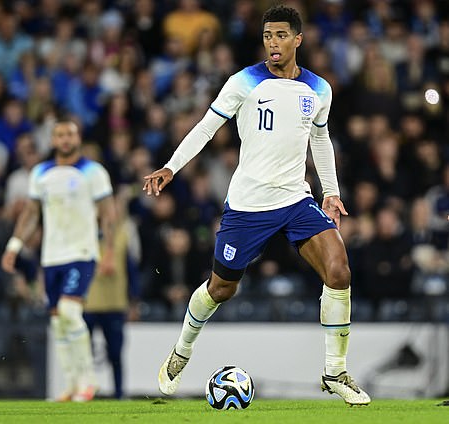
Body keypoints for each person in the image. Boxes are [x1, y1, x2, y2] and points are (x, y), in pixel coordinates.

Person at [143, 5, 370, 406]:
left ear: (297, 39)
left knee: (339, 271)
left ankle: (335, 372)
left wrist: (330, 191)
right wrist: (171, 167)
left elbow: (320, 139)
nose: (273, 43)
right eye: (267, 36)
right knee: (221, 289)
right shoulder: (244, 81)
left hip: (296, 199)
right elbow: (207, 126)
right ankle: (181, 352)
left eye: (281, 35)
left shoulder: (319, 89)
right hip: (248, 204)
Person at [1, 120, 116, 402]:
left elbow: (108, 213)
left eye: (70, 134)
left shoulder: (94, 172)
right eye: (60, 135)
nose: (65, 139)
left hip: (82, 253)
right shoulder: (41, 173)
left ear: (78, 137)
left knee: (69, 311)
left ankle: (88, 381)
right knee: (57, 322)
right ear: (53, 140)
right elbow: (30, 214)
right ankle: (71, 384)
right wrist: (13, 246)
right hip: (52, 256)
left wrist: (109, 250)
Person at [83, 186, 141, 400]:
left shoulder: (123, 235)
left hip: (115, 303)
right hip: (88, 303)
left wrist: (134, 301)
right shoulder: (86, 234)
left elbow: (131, 270)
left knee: (116, 354)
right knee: (84, 355)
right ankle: (86, 391)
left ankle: (118, 393)